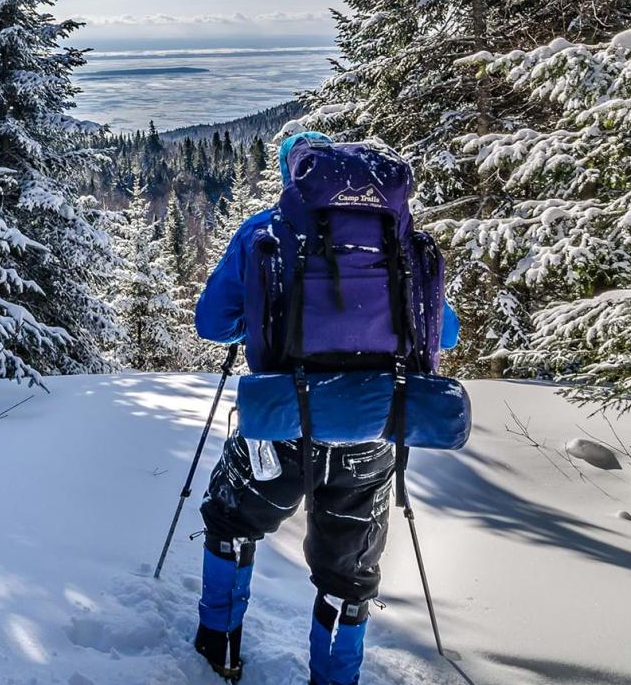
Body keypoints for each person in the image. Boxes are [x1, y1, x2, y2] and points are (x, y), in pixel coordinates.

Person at [191, 132, 459, 684]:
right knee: (348, 572)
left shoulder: (263, 233)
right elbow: (444, 332)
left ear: (295, 179)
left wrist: (264, 318)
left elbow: (212, 324)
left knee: (230, 520)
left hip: (281, 423)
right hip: (372, 430)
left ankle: (220, 646)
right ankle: (334, 677)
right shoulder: (400, 242)